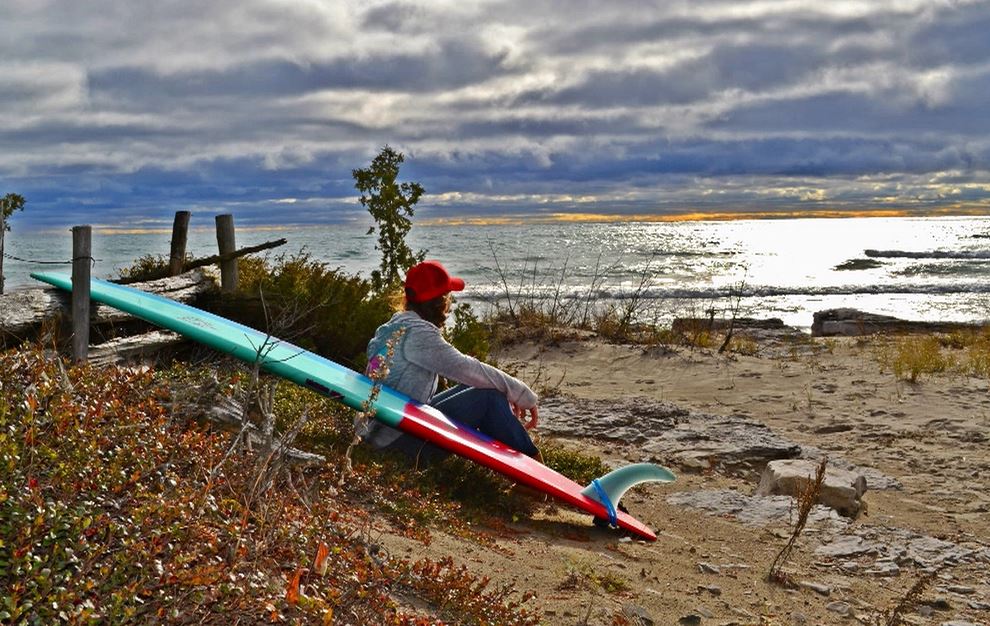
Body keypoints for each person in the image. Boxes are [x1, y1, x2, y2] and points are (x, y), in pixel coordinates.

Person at [360, 260, 540, 464]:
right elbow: (468, 368)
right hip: (395, 445)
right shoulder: (419, 336)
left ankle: (524, 467)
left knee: (477, 389)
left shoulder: (392, 328)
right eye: (447, 297)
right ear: (440, 302)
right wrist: (522, 394)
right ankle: (535, 472)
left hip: (380, 432)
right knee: (488, 398)